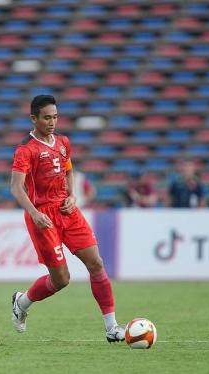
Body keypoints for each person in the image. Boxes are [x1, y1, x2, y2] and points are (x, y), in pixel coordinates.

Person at [9, 95, 124, 342]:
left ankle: (112, 327)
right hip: (43, 217)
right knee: (61, 280)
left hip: (67, 211)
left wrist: (72, 195)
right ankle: (22, 302)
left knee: (96, 263)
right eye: (47, 117)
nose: (52, 122)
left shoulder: (63, 142)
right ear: (34, 118)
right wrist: (34, 213)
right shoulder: (25, 150)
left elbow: (69, 170)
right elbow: (16, 187)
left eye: (55, 117)